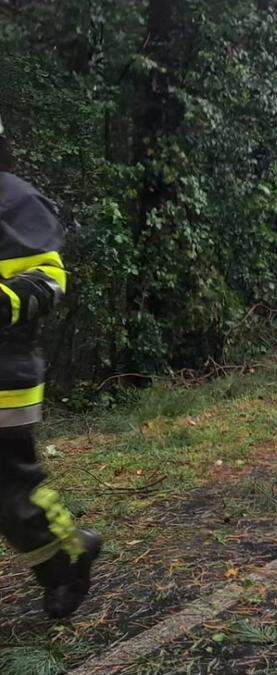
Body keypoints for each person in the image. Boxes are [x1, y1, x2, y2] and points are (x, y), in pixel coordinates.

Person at [0, 114, 102, 619]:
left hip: (4, 372)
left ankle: (70, 552)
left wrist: (4, 301)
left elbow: (49, 276)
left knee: (15, 489)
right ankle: (63, 560)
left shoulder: (14, 199)